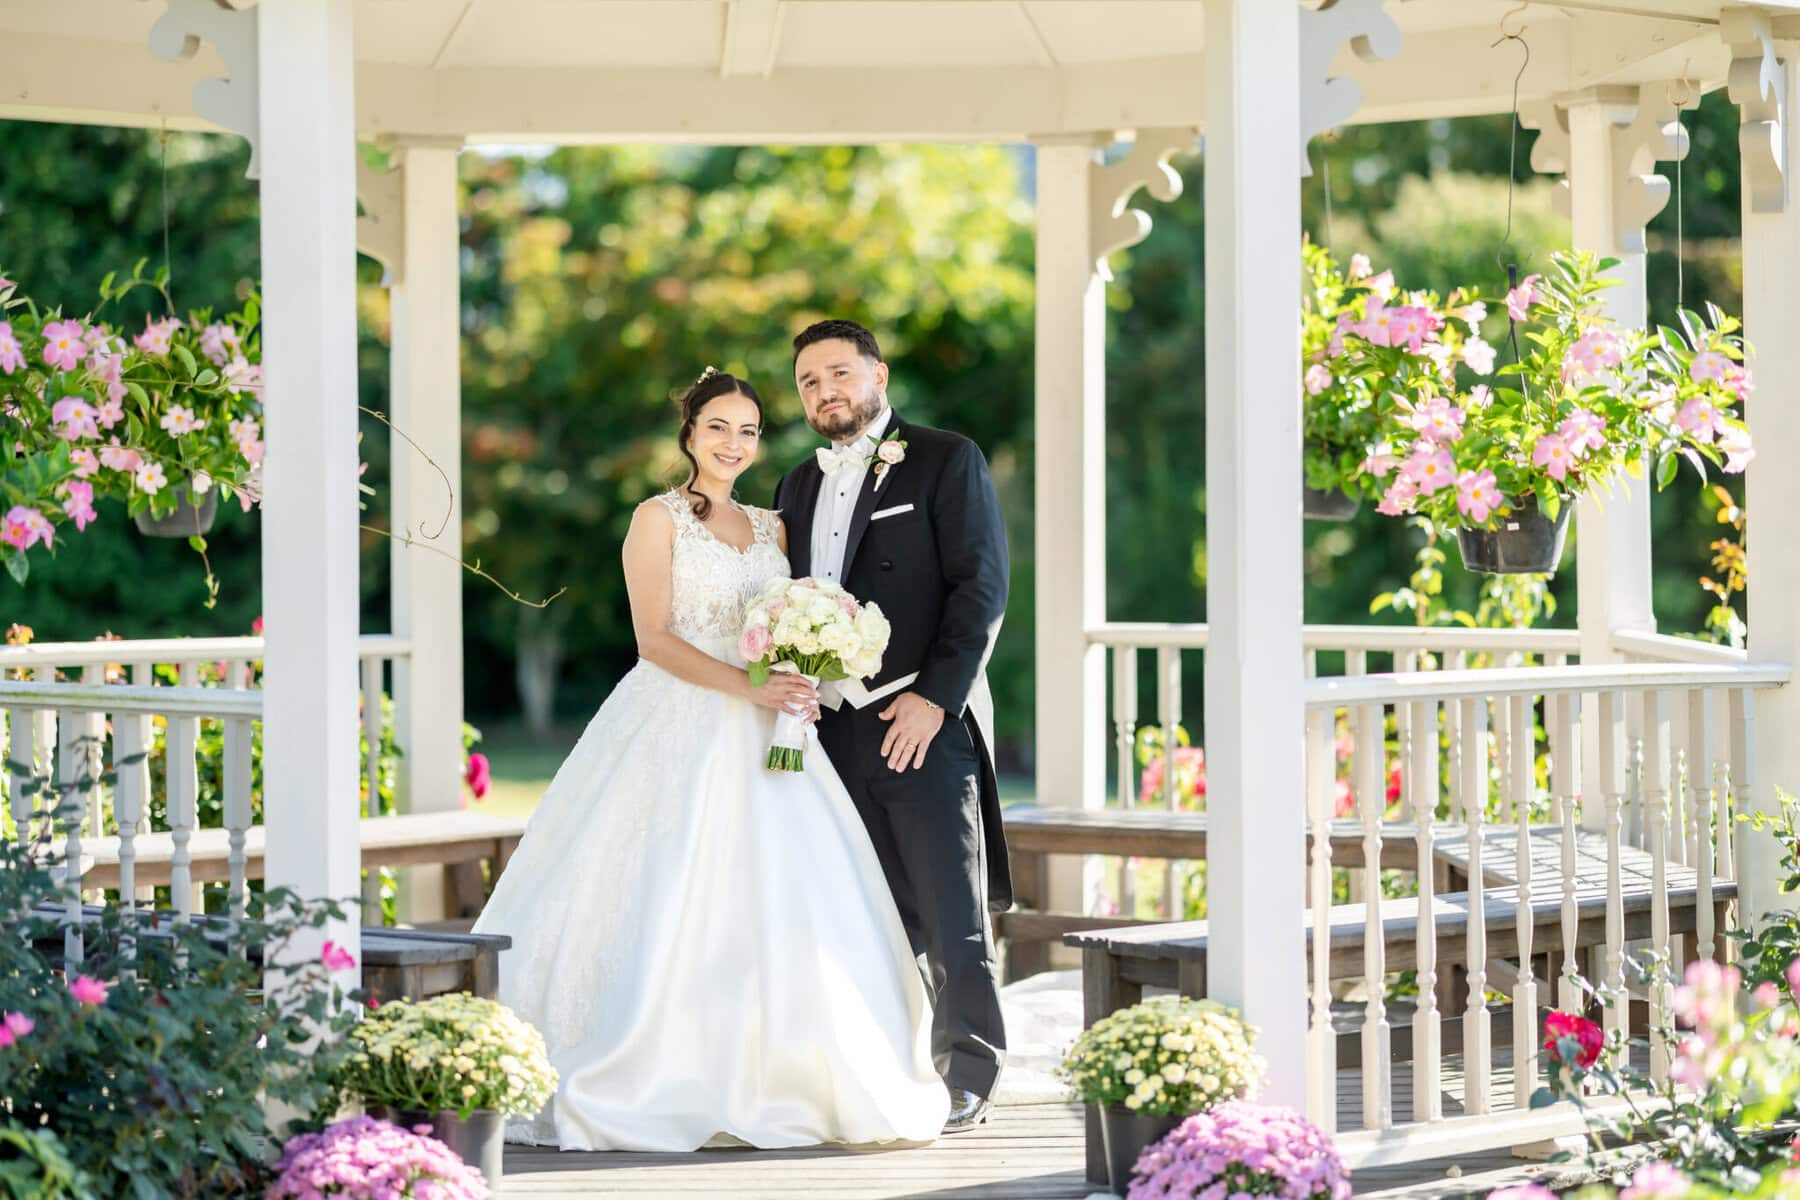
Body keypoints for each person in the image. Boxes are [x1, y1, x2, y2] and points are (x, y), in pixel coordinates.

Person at [473, 367, 949, 1151]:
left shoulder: (772, 529)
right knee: (663, 883)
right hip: (679, 716)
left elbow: (796, 611)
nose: (734, 444)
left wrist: (811, 659)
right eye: (719, 427)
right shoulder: (655, 519)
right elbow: (654, 641)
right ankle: (643, 1066)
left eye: (749, 431)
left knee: (789, 891)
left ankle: (794, 1072)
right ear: (690, 434)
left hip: (776, 738)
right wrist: (747, 687)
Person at [772, 319, 1011, 1132]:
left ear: (878, 372)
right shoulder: (795, 485)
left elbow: (981, 588)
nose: (825, 390)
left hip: (917, 717)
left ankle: (970, 1069)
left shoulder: (948, 458)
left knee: (950, 908)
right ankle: (881, 1064)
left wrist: (937, 698)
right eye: (808, 381)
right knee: (860, 908)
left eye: (838, 372)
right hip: (829, 733)